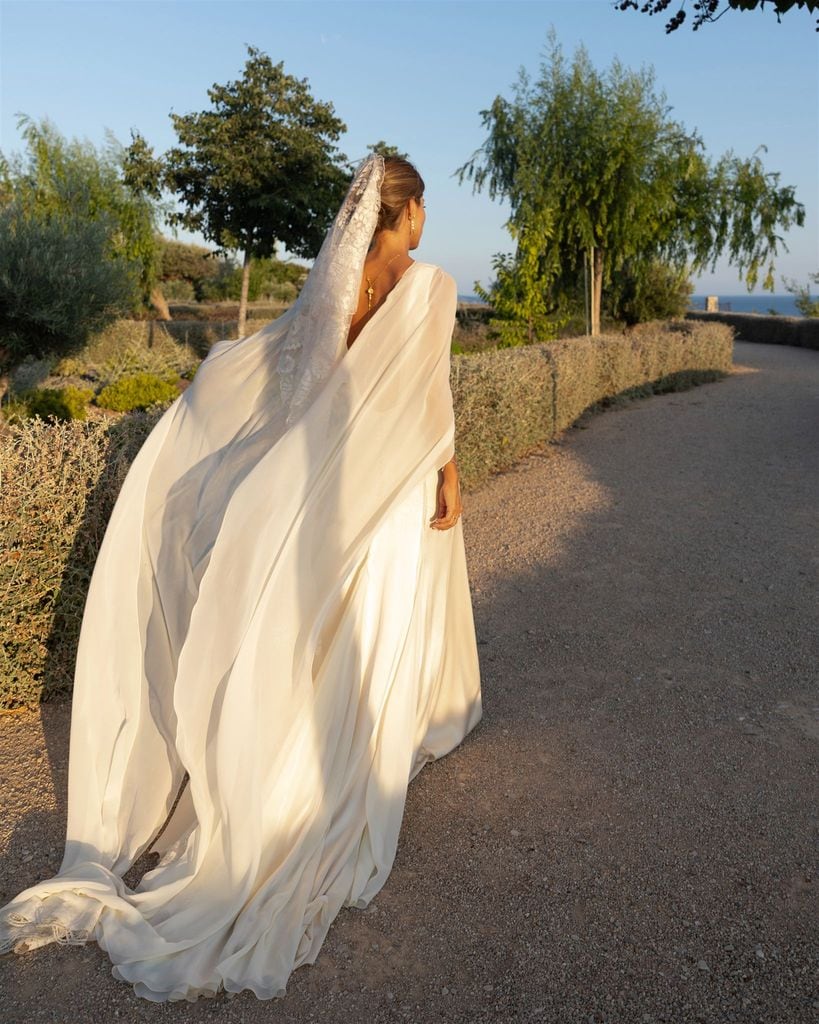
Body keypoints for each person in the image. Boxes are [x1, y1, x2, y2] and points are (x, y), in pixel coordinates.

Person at [0, 153, 482, 1001]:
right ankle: (345, 761)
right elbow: (421, 396)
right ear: (403, 214)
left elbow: (294, 379)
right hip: (383, 487)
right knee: (365, 633)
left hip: (315, 490)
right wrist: (446, 469)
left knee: (322, 639)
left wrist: (209, 405)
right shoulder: (429, 283)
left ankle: (289, 759)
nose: (424, 222)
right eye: (422, 206)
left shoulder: (332, 285)